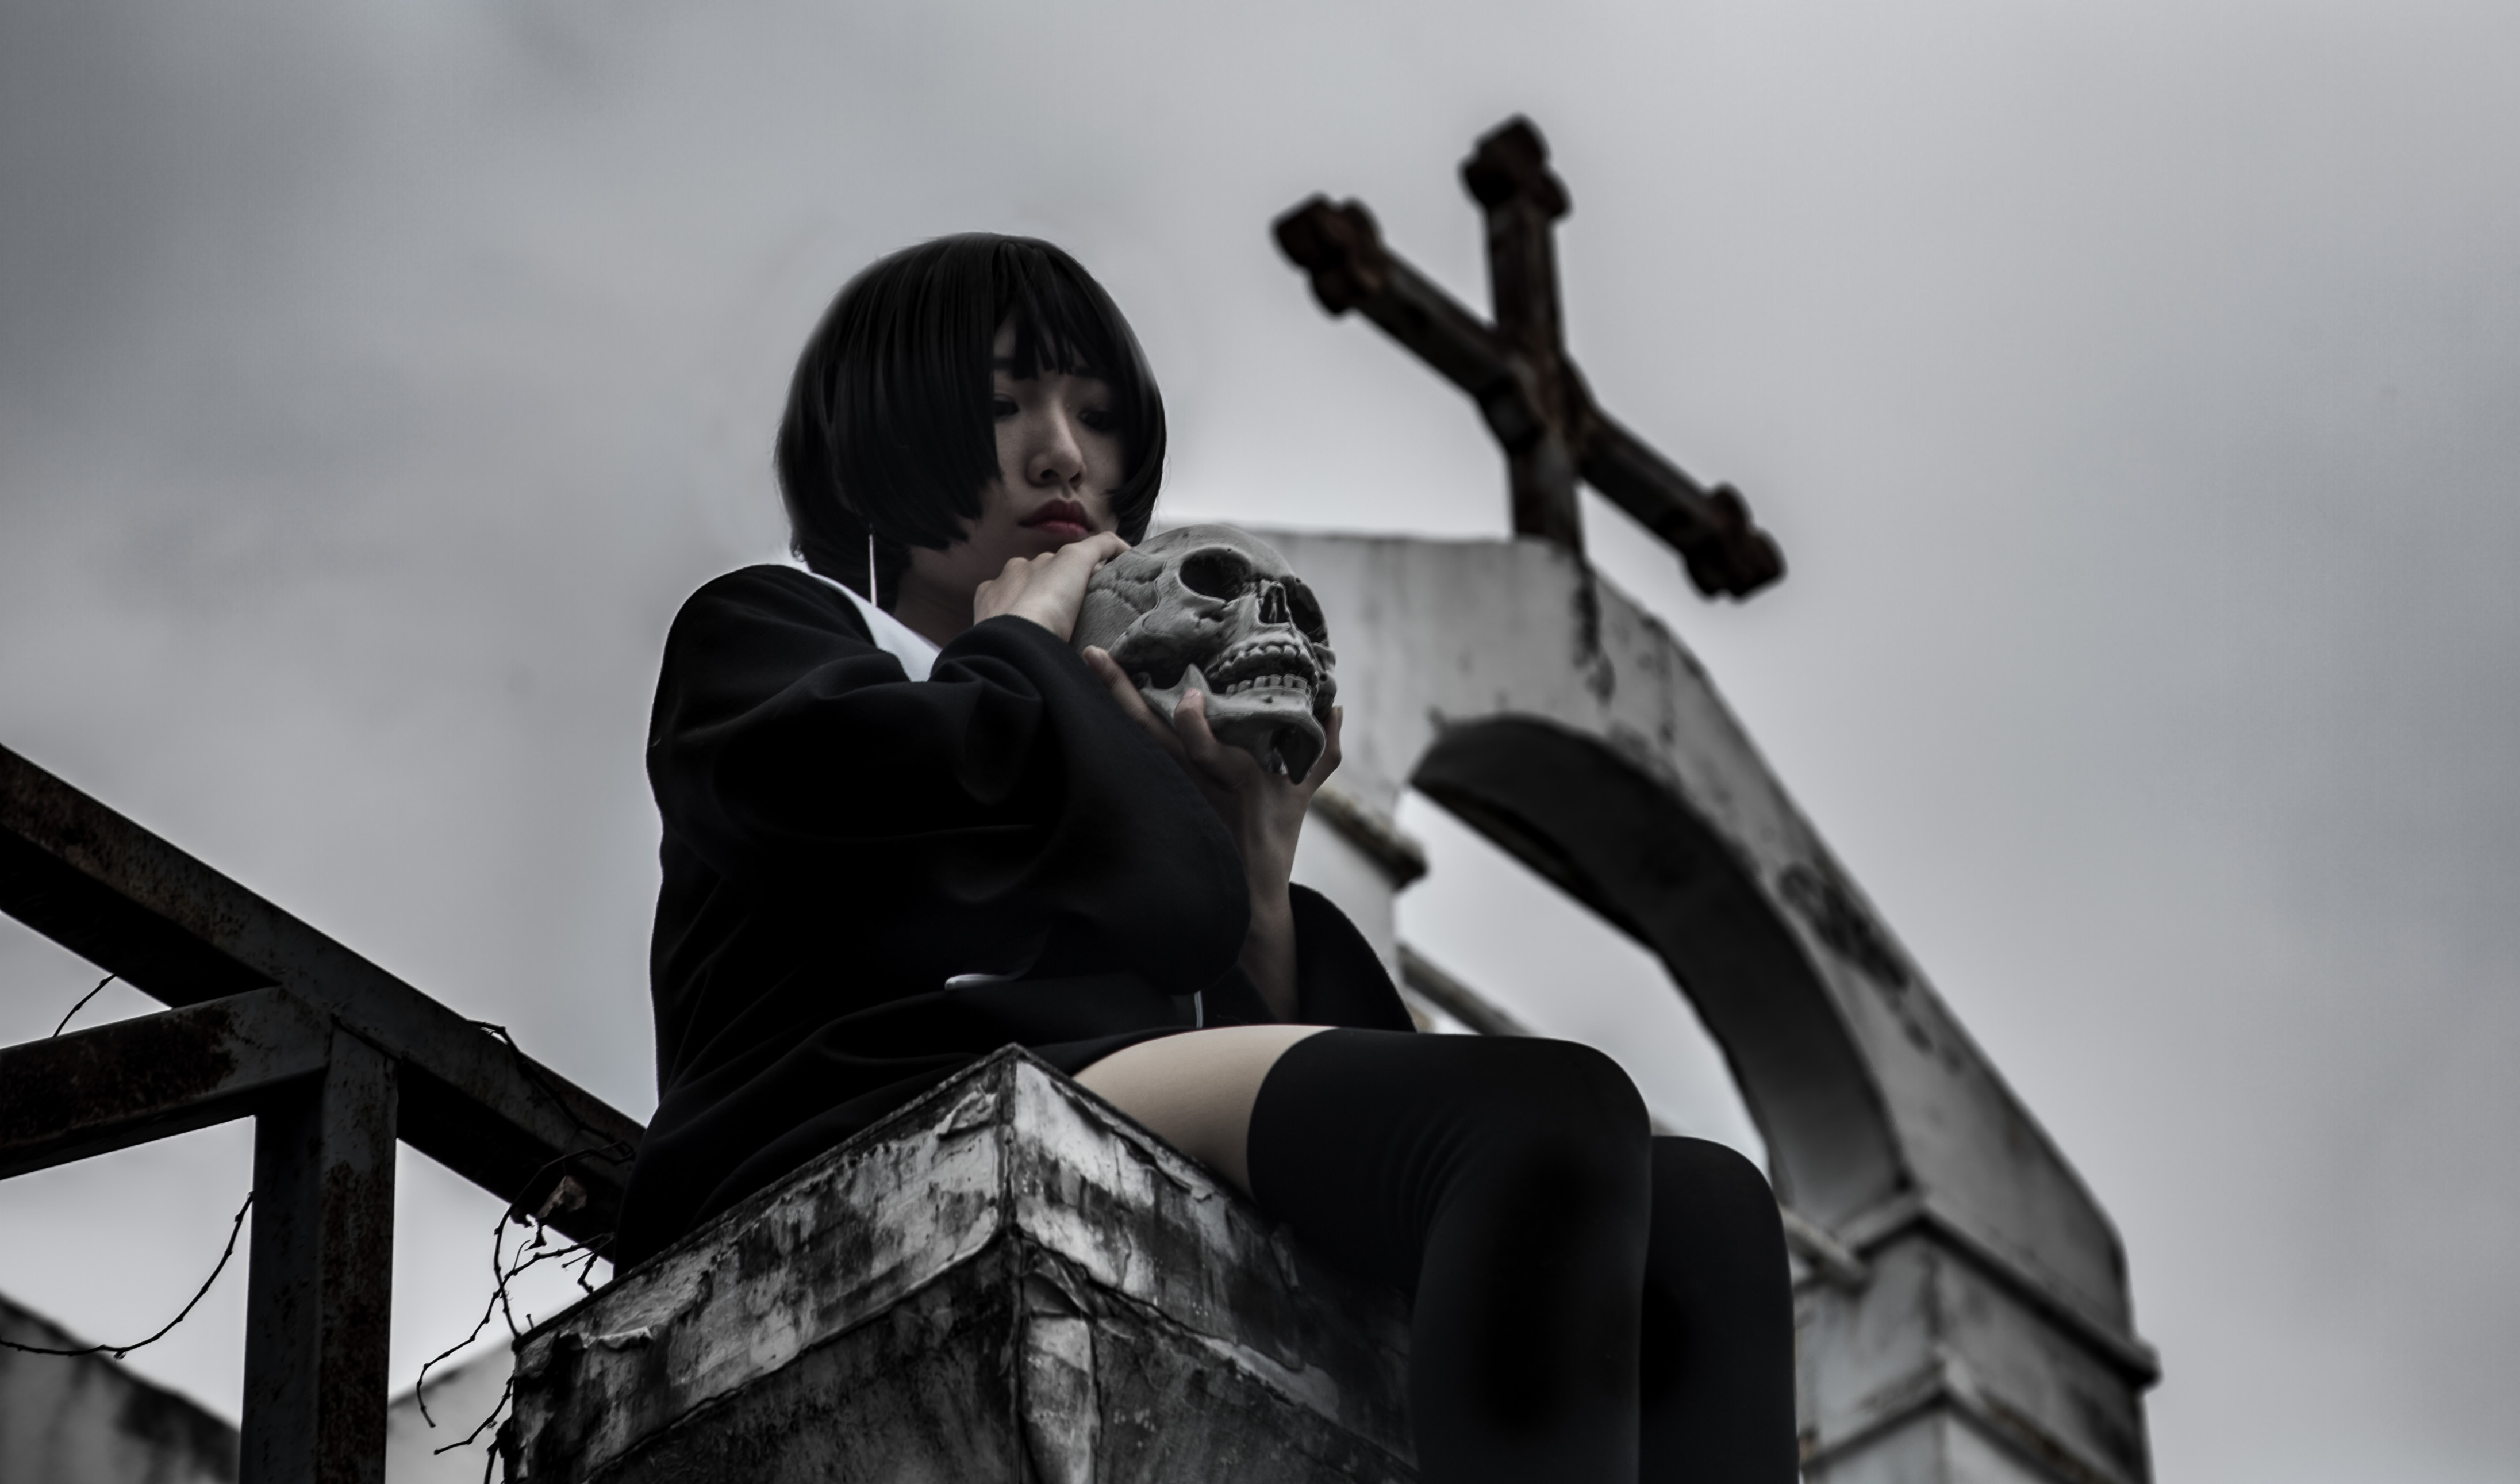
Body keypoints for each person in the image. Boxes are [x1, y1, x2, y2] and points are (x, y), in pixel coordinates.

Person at [624, 233, 1794, 1483]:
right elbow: (881, 812)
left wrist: (1261, 879)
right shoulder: (776, 625)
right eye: (1004, 405)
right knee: (1542, 1111)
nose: (1063, 454)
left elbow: (1234, 999)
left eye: (1098, 417)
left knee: (1709, 1216)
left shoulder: (1108, 723)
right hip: (869, 1099)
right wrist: (1022, 646)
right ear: (884, 432)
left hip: (1090, 1084)